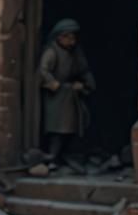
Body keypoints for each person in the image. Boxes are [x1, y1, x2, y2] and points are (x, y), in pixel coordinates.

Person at [39, 18, 96, 166]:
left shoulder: (75, 52)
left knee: (71, 126)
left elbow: (83, 69)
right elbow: (43, 71)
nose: (72, 41)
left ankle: (63, 156)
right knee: (57, 128)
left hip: (69, 96)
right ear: (60, 37)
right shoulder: (52, 52)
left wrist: (85, 84)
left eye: (73, 37)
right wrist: (53, 83)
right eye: (68, 37)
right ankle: (52, 157)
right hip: (56, 96)